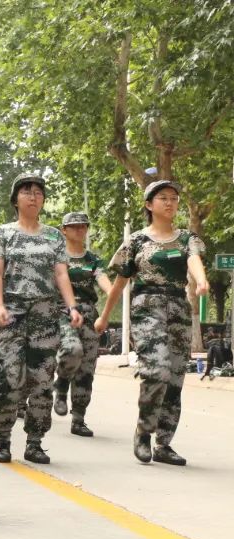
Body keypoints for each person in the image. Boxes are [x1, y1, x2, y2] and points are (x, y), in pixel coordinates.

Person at [95, 180, 208, 465]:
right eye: (163, 198)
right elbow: (120, 282)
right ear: (149, 204)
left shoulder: (187, 238)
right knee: (157, 370)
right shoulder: (136, 241)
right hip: (147, 309)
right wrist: (105, 316)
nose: (170, 203)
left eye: (174, 198)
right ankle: (144, 432)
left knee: (175, 378)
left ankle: (164, 444)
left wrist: (201, 280)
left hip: (178, 309)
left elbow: (194, 259)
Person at [0, 173, 83, 465]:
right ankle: (3, 438)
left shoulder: (53, 236)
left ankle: (35, 441)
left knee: (41, 381)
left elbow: (61, 273)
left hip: (45, 316)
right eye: (26, 191)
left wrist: (72, 307)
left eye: (38, 192)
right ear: (15, 199)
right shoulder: (3, 233)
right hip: (11, 315)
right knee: (10, 378)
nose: (33, 196)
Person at [53, 212, 112, 435]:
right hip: (63, 311)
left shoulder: (93, 260)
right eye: (74, 226)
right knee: (72, 350)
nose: (79, 230)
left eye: (83, 226)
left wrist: (112, 292)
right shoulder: (57, 257)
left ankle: (78, 418)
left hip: (89, 314)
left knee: (87, 369)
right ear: (64, 230)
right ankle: (61, 384)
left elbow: (102, 279)